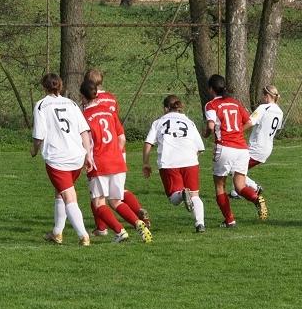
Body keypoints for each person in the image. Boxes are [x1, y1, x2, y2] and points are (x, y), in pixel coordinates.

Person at [80, 80, 152, 243]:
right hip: (117, 160)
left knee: (99, 202)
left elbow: (84, 141)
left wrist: (88, 158)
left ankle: (120, 231)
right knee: (116, 200)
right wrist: (114, 154)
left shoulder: (83, 116)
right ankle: (137, 223)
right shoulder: (108, 111)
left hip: (99, 161)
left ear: (82, 96)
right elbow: (122, 138)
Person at [31, 73, 94, 246]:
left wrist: (34, 149)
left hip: (58, 158)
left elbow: (39, 134)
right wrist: (88, 154)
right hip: (77, 156)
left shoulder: (41, 105)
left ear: (44, 87)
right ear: (60, 86)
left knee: (69, 196)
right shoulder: (71, 103)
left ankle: (84, 236)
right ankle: (57, 232)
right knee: (60, 191)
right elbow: (83, 131)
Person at [202, 74, 266, 227]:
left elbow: (211, 126)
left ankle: (230, 220)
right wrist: (237, 133)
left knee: (220, 186)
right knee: (240, 186)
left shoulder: (211, 105)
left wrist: (206, 133)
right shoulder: (235, 103)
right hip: (242, 149)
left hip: (225, 147)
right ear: (224, 88)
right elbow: (249, 121)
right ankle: (255, 198)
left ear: (211, 89)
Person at [143, 95, 206, 232]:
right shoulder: (189, 122)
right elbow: (200, 148)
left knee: (174, 197)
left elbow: (148, 142)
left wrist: (146, 163)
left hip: (169, 161)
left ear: (166, 108)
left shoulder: (159, 122)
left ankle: (182, 194)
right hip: (190, 160)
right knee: (195, 194)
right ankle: (200, 224)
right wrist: (190, 158)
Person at [229, 84, 284, 198]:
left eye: (262, 95)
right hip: (267, 147)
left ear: (266, 95)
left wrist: (236, 133)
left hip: (257, 147)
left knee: (234, 168)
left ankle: (255, 187)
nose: (262, 98)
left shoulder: (263, 108)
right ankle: (234, 193)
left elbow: (250, 122)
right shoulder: (280, 111)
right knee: (239, 167)